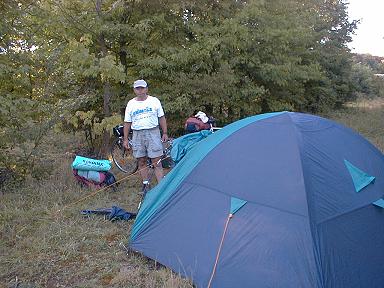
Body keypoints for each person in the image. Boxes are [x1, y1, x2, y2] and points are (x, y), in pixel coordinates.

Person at [123, 79, 168, 187]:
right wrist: (125, 139)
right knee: (141, 160)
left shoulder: (154, 101)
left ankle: (161, 186)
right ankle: (145, 184)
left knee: (156, 161)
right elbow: (127, 122)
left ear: (146, 89)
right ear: (134, 90)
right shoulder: (131, 104)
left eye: (142, 88)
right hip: (137, 134)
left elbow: (161, 118)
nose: (140, 90)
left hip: (153, 132)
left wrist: (165, 132)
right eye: (137, 88)